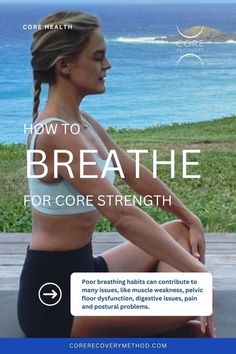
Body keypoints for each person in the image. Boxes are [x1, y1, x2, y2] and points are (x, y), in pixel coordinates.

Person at [17, 10, 215, 338]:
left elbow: (132, 172)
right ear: (64, 65)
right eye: (98, 57)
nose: (106, 65)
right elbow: (122, 215)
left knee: (180, 233)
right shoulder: (55, 133)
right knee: (190, 301)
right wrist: (197, 273)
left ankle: (159, 315)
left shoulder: (82, 122)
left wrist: (190, 217)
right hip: (55, 299)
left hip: (86, 271)